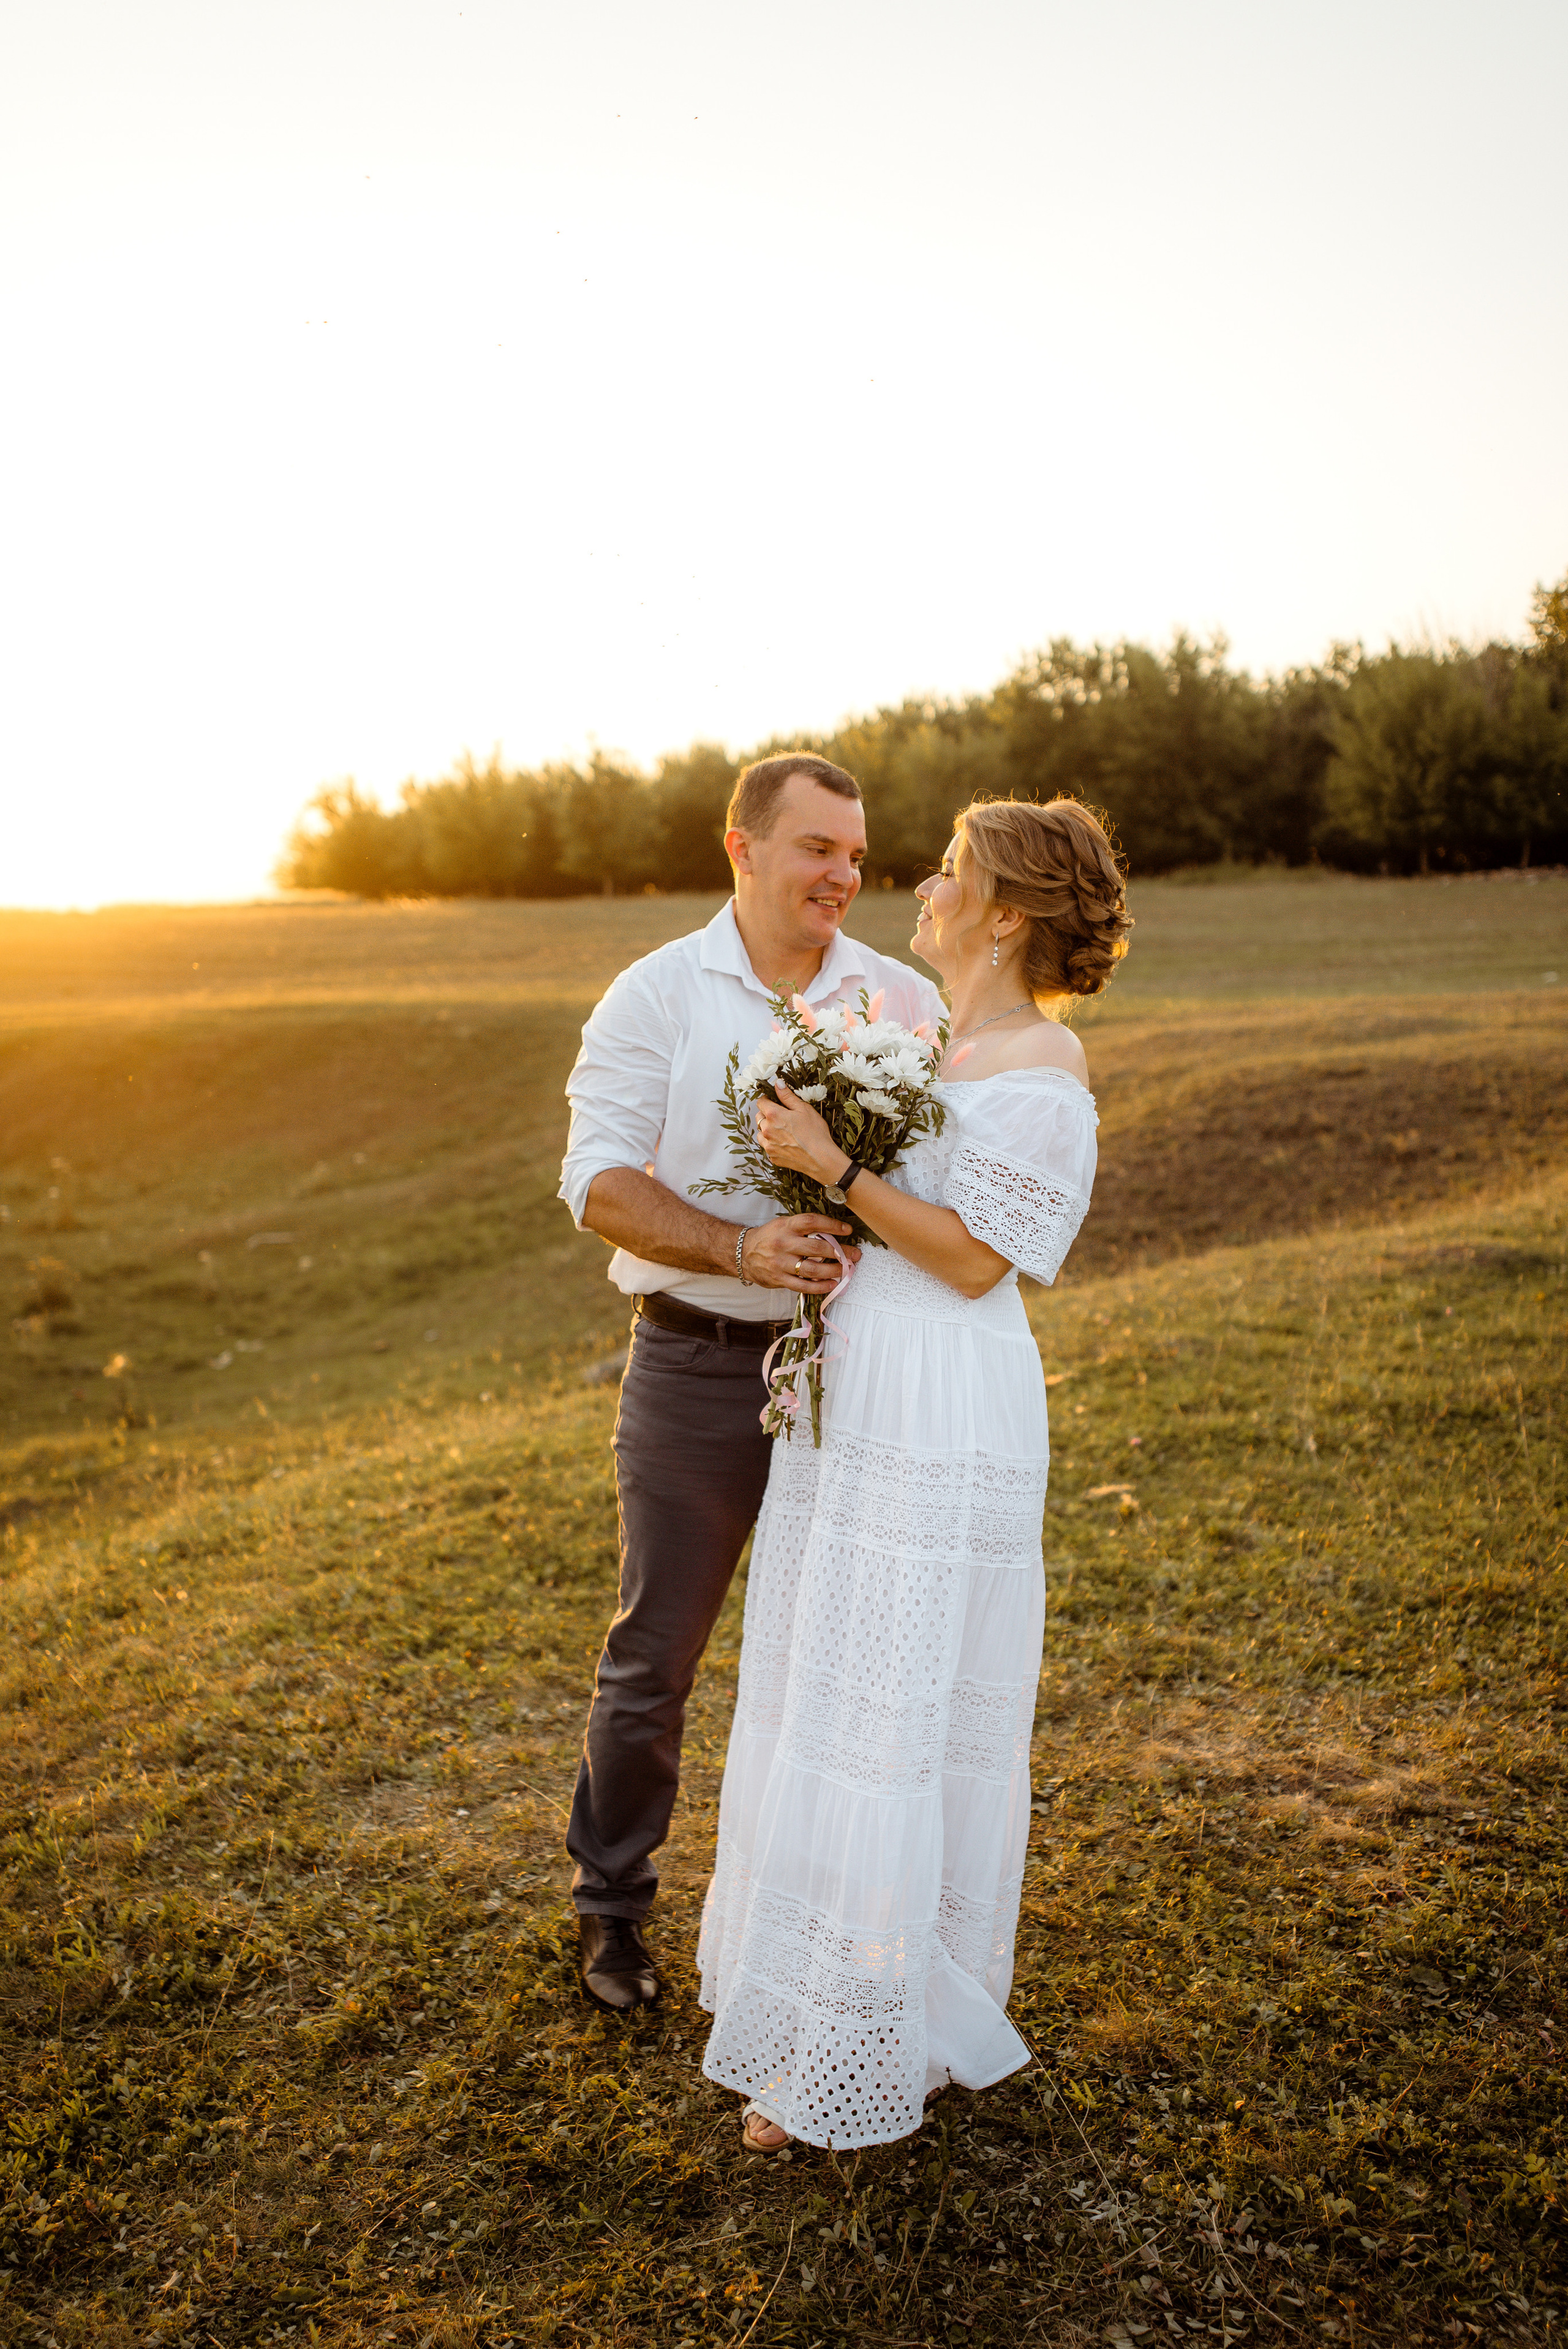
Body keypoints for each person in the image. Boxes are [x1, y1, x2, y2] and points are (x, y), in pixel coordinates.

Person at [697, 795, 1132, 2152]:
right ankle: (834, 2004)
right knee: (833, 1679)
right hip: (868, 1375)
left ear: (1006, 913)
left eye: (952, 873)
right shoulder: (945, 1038)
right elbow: (908, 1225)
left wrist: (833, 1161)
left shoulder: (1043, 1066)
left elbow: (975, 1258)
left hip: (947, 1395)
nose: (923, 889)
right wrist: (825, 1212)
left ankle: (871, 2039)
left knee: (898, 1701)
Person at [557, 754, 946, 2013]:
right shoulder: (657, 994)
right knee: (656, 1653)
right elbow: (597, 1185)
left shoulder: (898, 997)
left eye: (854, 856)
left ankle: (833, 1922)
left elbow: (940, 1178)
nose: (840, 875)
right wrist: (736, 1246)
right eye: (815, 849)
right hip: (693, 1360)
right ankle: (611, 1909)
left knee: (845, 1656)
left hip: (857, 1366)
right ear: (741, 848)